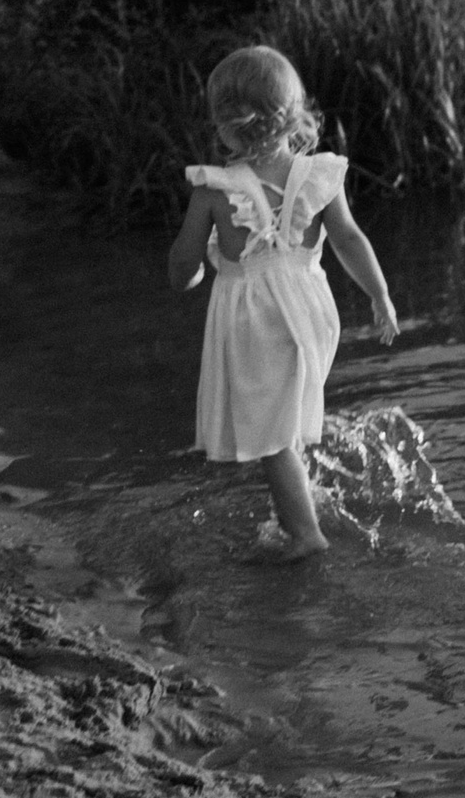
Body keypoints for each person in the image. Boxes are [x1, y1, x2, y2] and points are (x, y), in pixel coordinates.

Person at [167, 45, 399, 561]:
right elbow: (349, 240)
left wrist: (193, 273)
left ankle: (304, 535)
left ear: (227, 126)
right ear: (292, 116)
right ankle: (305, 505)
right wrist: (379, 296)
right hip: (312, 310)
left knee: (271, 438)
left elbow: (183, 264)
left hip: (256, 318)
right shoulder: (318, 175)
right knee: (282, 421)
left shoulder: (213, 191)